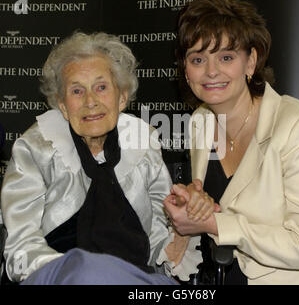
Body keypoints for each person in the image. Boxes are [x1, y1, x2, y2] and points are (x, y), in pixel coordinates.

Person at [164, 0, 299, 284]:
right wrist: (197, 205)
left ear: (251, 63)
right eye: (197, 59)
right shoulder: (201, 122)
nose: (211, 72)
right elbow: (220, 206)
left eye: (225, 57)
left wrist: (214, 223)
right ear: (185, 71)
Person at [0, 31, 210, 284]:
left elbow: (156, 249)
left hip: (134, 278)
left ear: (121, 97)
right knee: (89, 272)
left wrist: (183, 227)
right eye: (77, 91)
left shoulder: (142, 144)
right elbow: (21, 247)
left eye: (101, 87)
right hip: (60, 275)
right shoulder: (36, 147)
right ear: (63, 106)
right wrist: (75, 270)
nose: (91, 101)